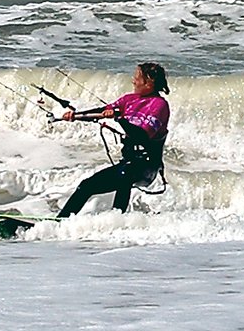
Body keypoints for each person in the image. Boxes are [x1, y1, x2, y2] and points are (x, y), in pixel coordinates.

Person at [56, 61, 170, 218]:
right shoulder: (129, 99)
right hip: (128, 164)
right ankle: (58, 222)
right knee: (86, 186)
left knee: (125, 174)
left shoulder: (159, 105)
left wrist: (120, 119)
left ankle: (117, 219)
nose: (133, 81)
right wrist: (75, 116)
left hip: (147, 166)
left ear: (149, 82)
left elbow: (141, 136)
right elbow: (102, 111)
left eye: (137, 77)